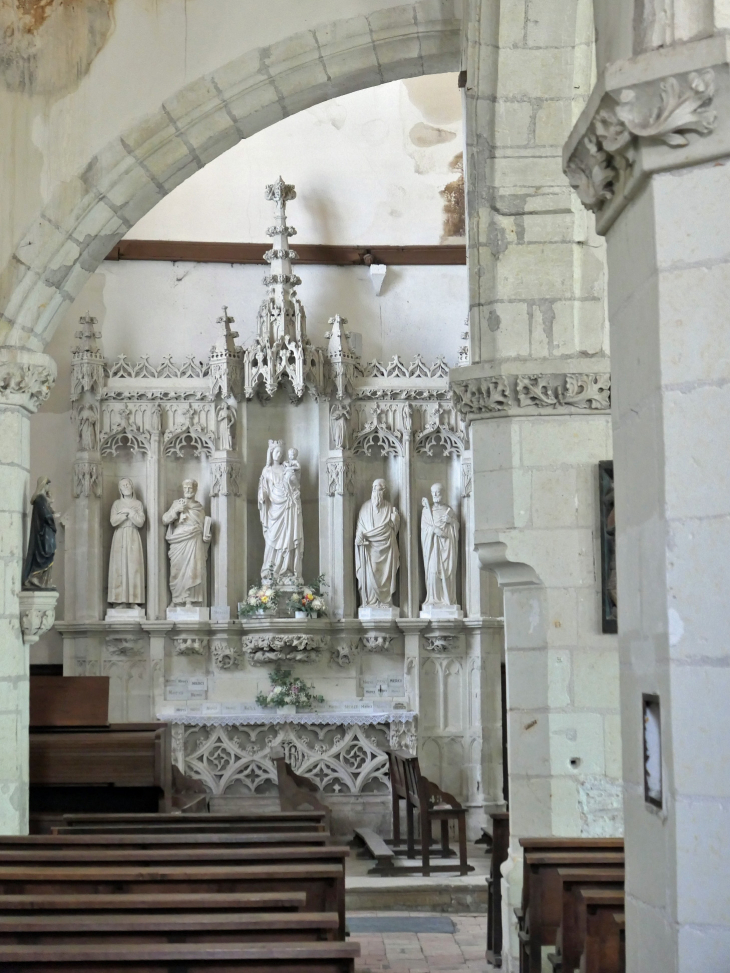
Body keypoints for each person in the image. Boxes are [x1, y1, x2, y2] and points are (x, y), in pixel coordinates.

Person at [258, 440, 304, 585]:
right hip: (274, 509)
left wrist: (294, 486)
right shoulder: (267, 470)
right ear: (271, 453)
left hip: (288, 506)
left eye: (280, 452)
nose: (278, 454)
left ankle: (288, 570)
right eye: (275, 452)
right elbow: (264, 487)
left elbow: (295, 483)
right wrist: (262, 495)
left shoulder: (286, 468)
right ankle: (271, 570)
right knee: (272, 539)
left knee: (289, 537)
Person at [162, 479, 210, 606]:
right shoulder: (177, 503)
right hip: (178, 540)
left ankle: (190, 600)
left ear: (195, 489)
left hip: (194, 540)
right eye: (186, 488)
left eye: (191, 487)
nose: (188, 490)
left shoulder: (199, 507)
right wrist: (176, 510)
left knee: (193, 570)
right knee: (176, 570)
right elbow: (165, 519)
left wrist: (207, 537)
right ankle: (176, 599)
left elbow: (203, 526)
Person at [355, 479, 400, 607]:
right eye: (373, 488)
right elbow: (360, 528)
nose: (375, 491)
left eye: (378, 489)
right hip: (369, 549)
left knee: (385, 576)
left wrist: (395, 520)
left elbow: (394, 530)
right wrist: (359, 537)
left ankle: (385, 601)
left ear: (383, 491)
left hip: (386, 551)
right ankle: (371, 602)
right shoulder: (365, 507)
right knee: (371, 573)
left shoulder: (389, 507)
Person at [108, 478, 146, 607]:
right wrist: (126, 515)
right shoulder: (117, 504)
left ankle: (134, 600)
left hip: (133, 536)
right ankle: (120, 601)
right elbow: (113, 521)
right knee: (119, 568)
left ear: (132, 486)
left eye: (128, 484)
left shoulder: (138, 504)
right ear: (120, 489)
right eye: (123, 485)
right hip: (119, 536)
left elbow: (140, 522)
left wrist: (129, 512)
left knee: (134, 567)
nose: (126, 486)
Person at [421, 483, 459, 608]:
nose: (435, 495)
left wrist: (451, 522)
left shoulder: (449, 510)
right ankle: (434, 599)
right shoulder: (427, 511)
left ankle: (447, 600)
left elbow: (456, 527)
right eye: (433, 492)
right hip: (433, 548)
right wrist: (433, 530)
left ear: (443, 493)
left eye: (438, 492)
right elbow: (424, 530)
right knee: (433, 571)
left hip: (447, 547)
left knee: (448, 573)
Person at [22, 477, 57, 589]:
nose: (49, 487)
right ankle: (35, 577)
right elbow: (46, 516)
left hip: (47, 533)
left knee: (49, 555)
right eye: (48, 485)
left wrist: (50, 502)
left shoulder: (43, 499)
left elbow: (47, 512)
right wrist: (53, 516)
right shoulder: (39, 499)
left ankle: (44, 582)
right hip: (44, 535)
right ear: (43, 485)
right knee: (44, 555)